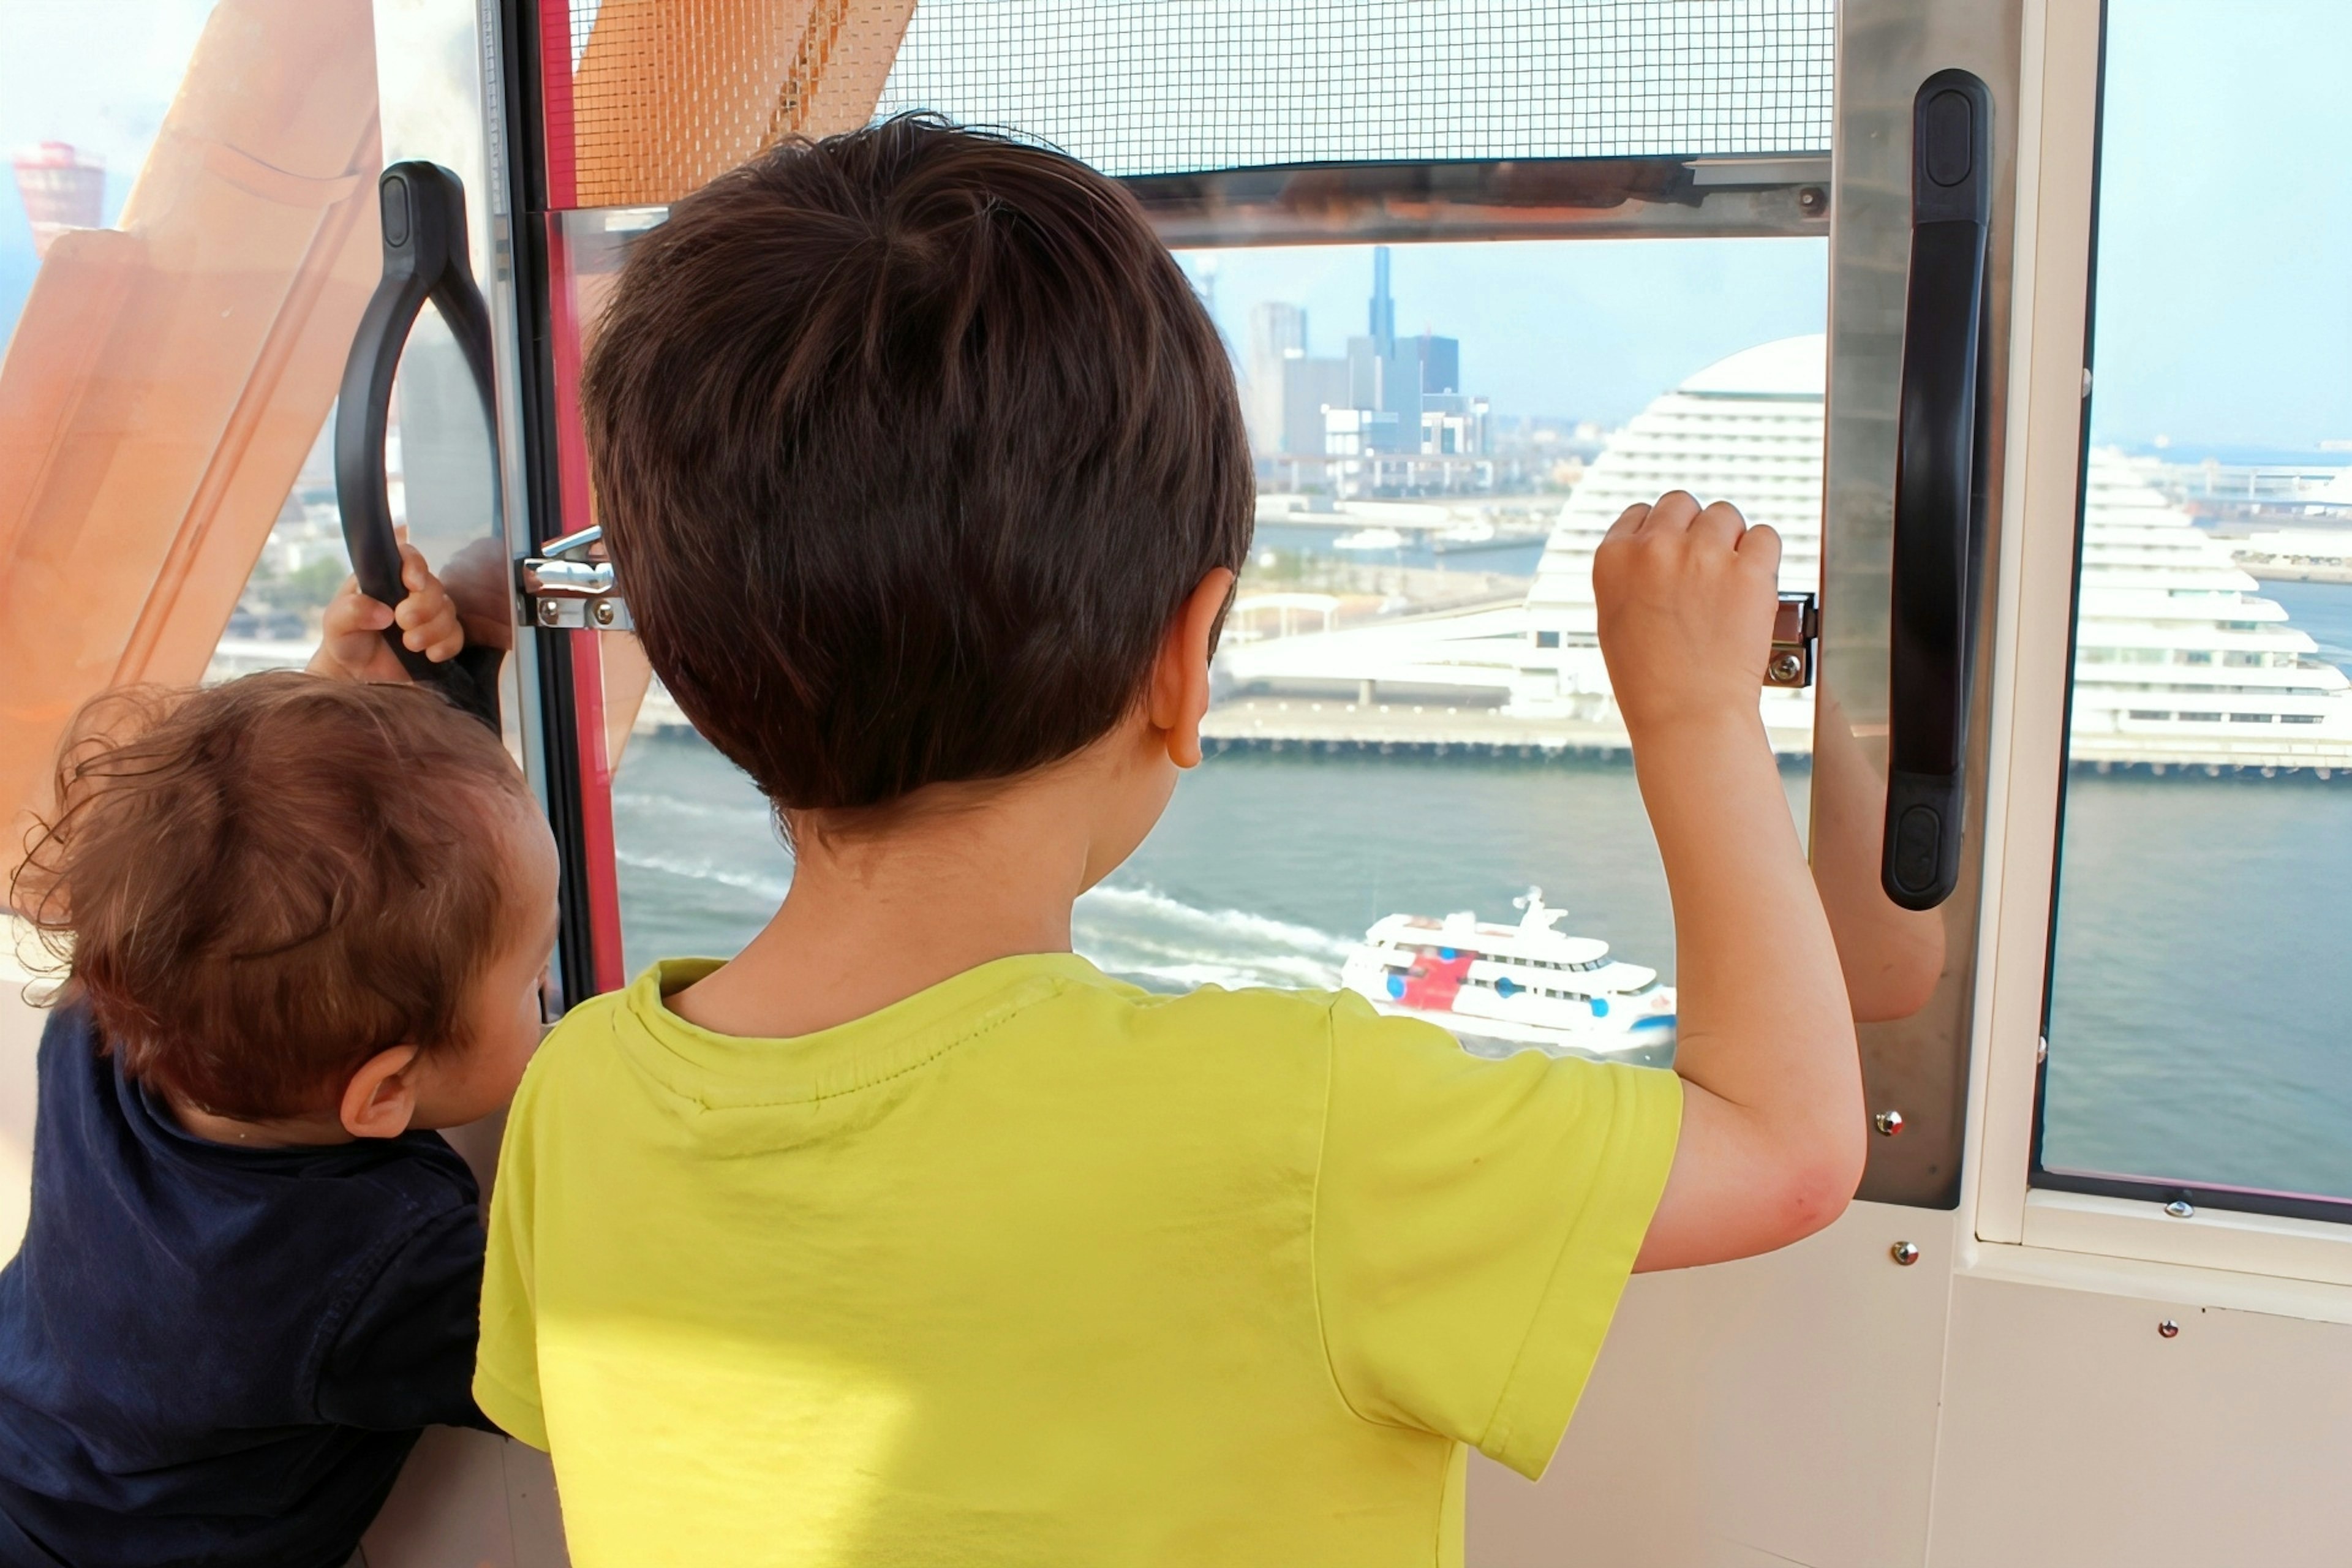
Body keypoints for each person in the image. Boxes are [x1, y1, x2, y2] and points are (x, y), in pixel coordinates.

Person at [473, 115, 1936, 1567]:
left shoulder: (579, 1093)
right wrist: (1695, 713)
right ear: (1184, 660)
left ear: (688, 659)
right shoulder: (1298, 1126)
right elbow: (1790, 1148)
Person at [0, 557, 559, 1568]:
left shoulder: (105, 1023)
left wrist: (342, 696)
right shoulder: (371, 1276)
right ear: (385, 1093)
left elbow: (218, 876)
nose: (550, 994)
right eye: (532, 980)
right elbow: (581, 1377)